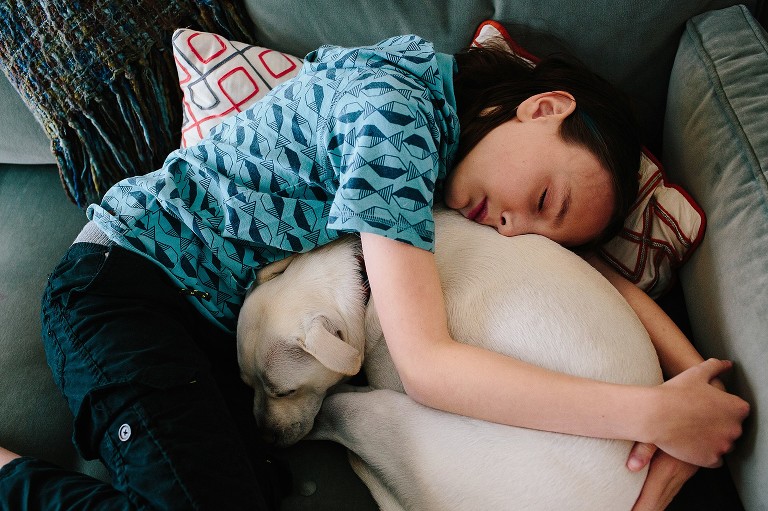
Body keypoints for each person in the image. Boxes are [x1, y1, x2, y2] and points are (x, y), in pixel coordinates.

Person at [0, 34, 749, 510]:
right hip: (125, 286)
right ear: (542, 107)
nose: (515, 229)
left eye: (541, 230)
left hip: (202, 332)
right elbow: (428, 367)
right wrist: (649, 416)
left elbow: (597, 277)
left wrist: (693, 378)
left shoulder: (444, 164)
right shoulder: (398, 119)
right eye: (545, 199)